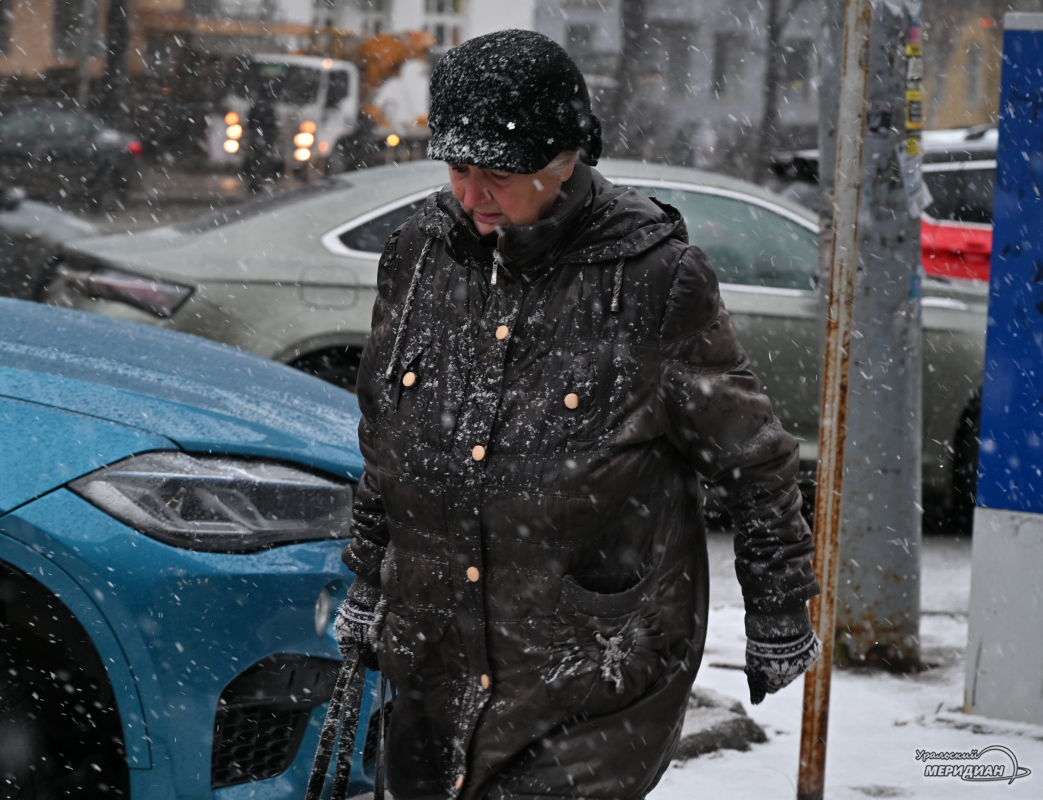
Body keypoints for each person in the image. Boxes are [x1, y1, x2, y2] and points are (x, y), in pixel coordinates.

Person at [335, 29, 821, 800]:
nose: (471, 197)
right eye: (458, 170)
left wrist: (778, 606)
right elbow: (388, 436)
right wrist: (368, 579)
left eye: (499, 175)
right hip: (435, 652)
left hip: (591, 669)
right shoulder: (418, 256)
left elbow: (753, 458)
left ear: (565, 162)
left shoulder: (654, 278)